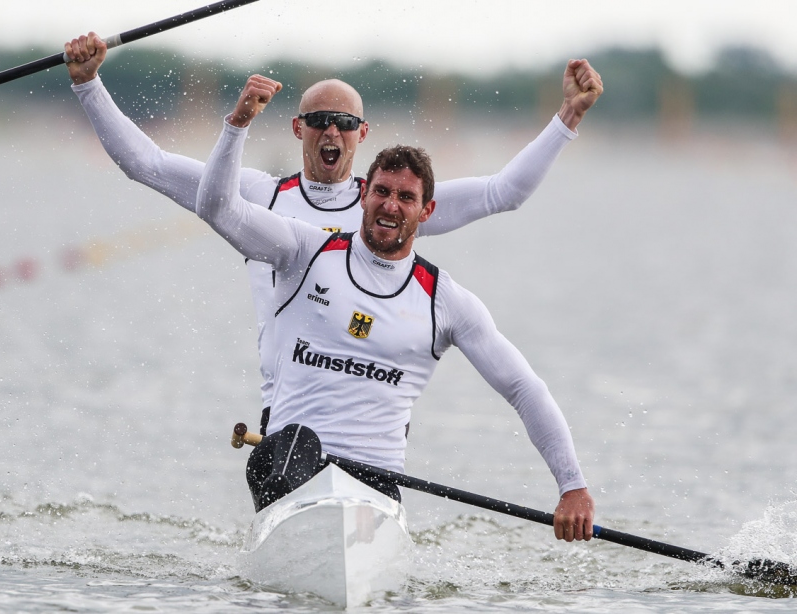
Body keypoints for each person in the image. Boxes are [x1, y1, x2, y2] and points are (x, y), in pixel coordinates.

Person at [63, 33, 603, 438]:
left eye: (345, 123)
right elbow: (146, 163)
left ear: (362, 134)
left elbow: (501, 192)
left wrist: (566, 119)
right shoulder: (256, 195)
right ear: (298, 129)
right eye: (318, 119)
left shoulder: (388, 206)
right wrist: (88, 83)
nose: (332, 130)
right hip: (289, 416)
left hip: (367, 425)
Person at [194, 75, 595, 542]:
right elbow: (217, 207)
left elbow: (523, 388)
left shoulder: (445, 302)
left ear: (426, 213)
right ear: (363, 195)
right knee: (291, 453)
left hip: (375, 489)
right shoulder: (304, 250)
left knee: (354, 498)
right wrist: (237, 125)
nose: (390, 205)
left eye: (406, 197)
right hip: (288, 464)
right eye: (381, 192)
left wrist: (573, 488)